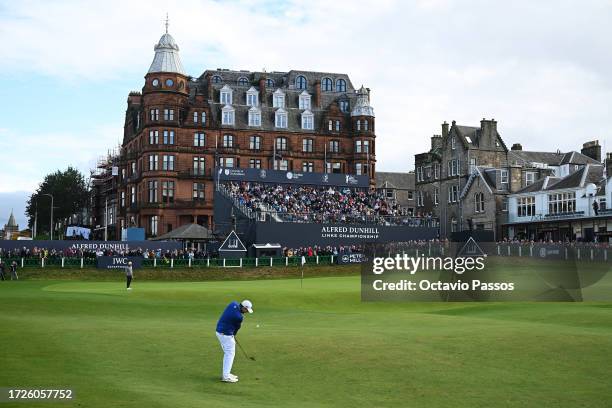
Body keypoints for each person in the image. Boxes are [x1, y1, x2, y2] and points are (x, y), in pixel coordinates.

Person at [215, 300, 253, 383]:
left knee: (228, 353)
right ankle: (226, 376)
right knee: (230, 354)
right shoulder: (239, 317)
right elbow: (236, 328)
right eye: (246, 310)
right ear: (243, 307)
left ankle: (226, 373)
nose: (246, 312)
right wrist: (233, 334)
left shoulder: (233, 303)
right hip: (225, 335)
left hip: (219, 331)